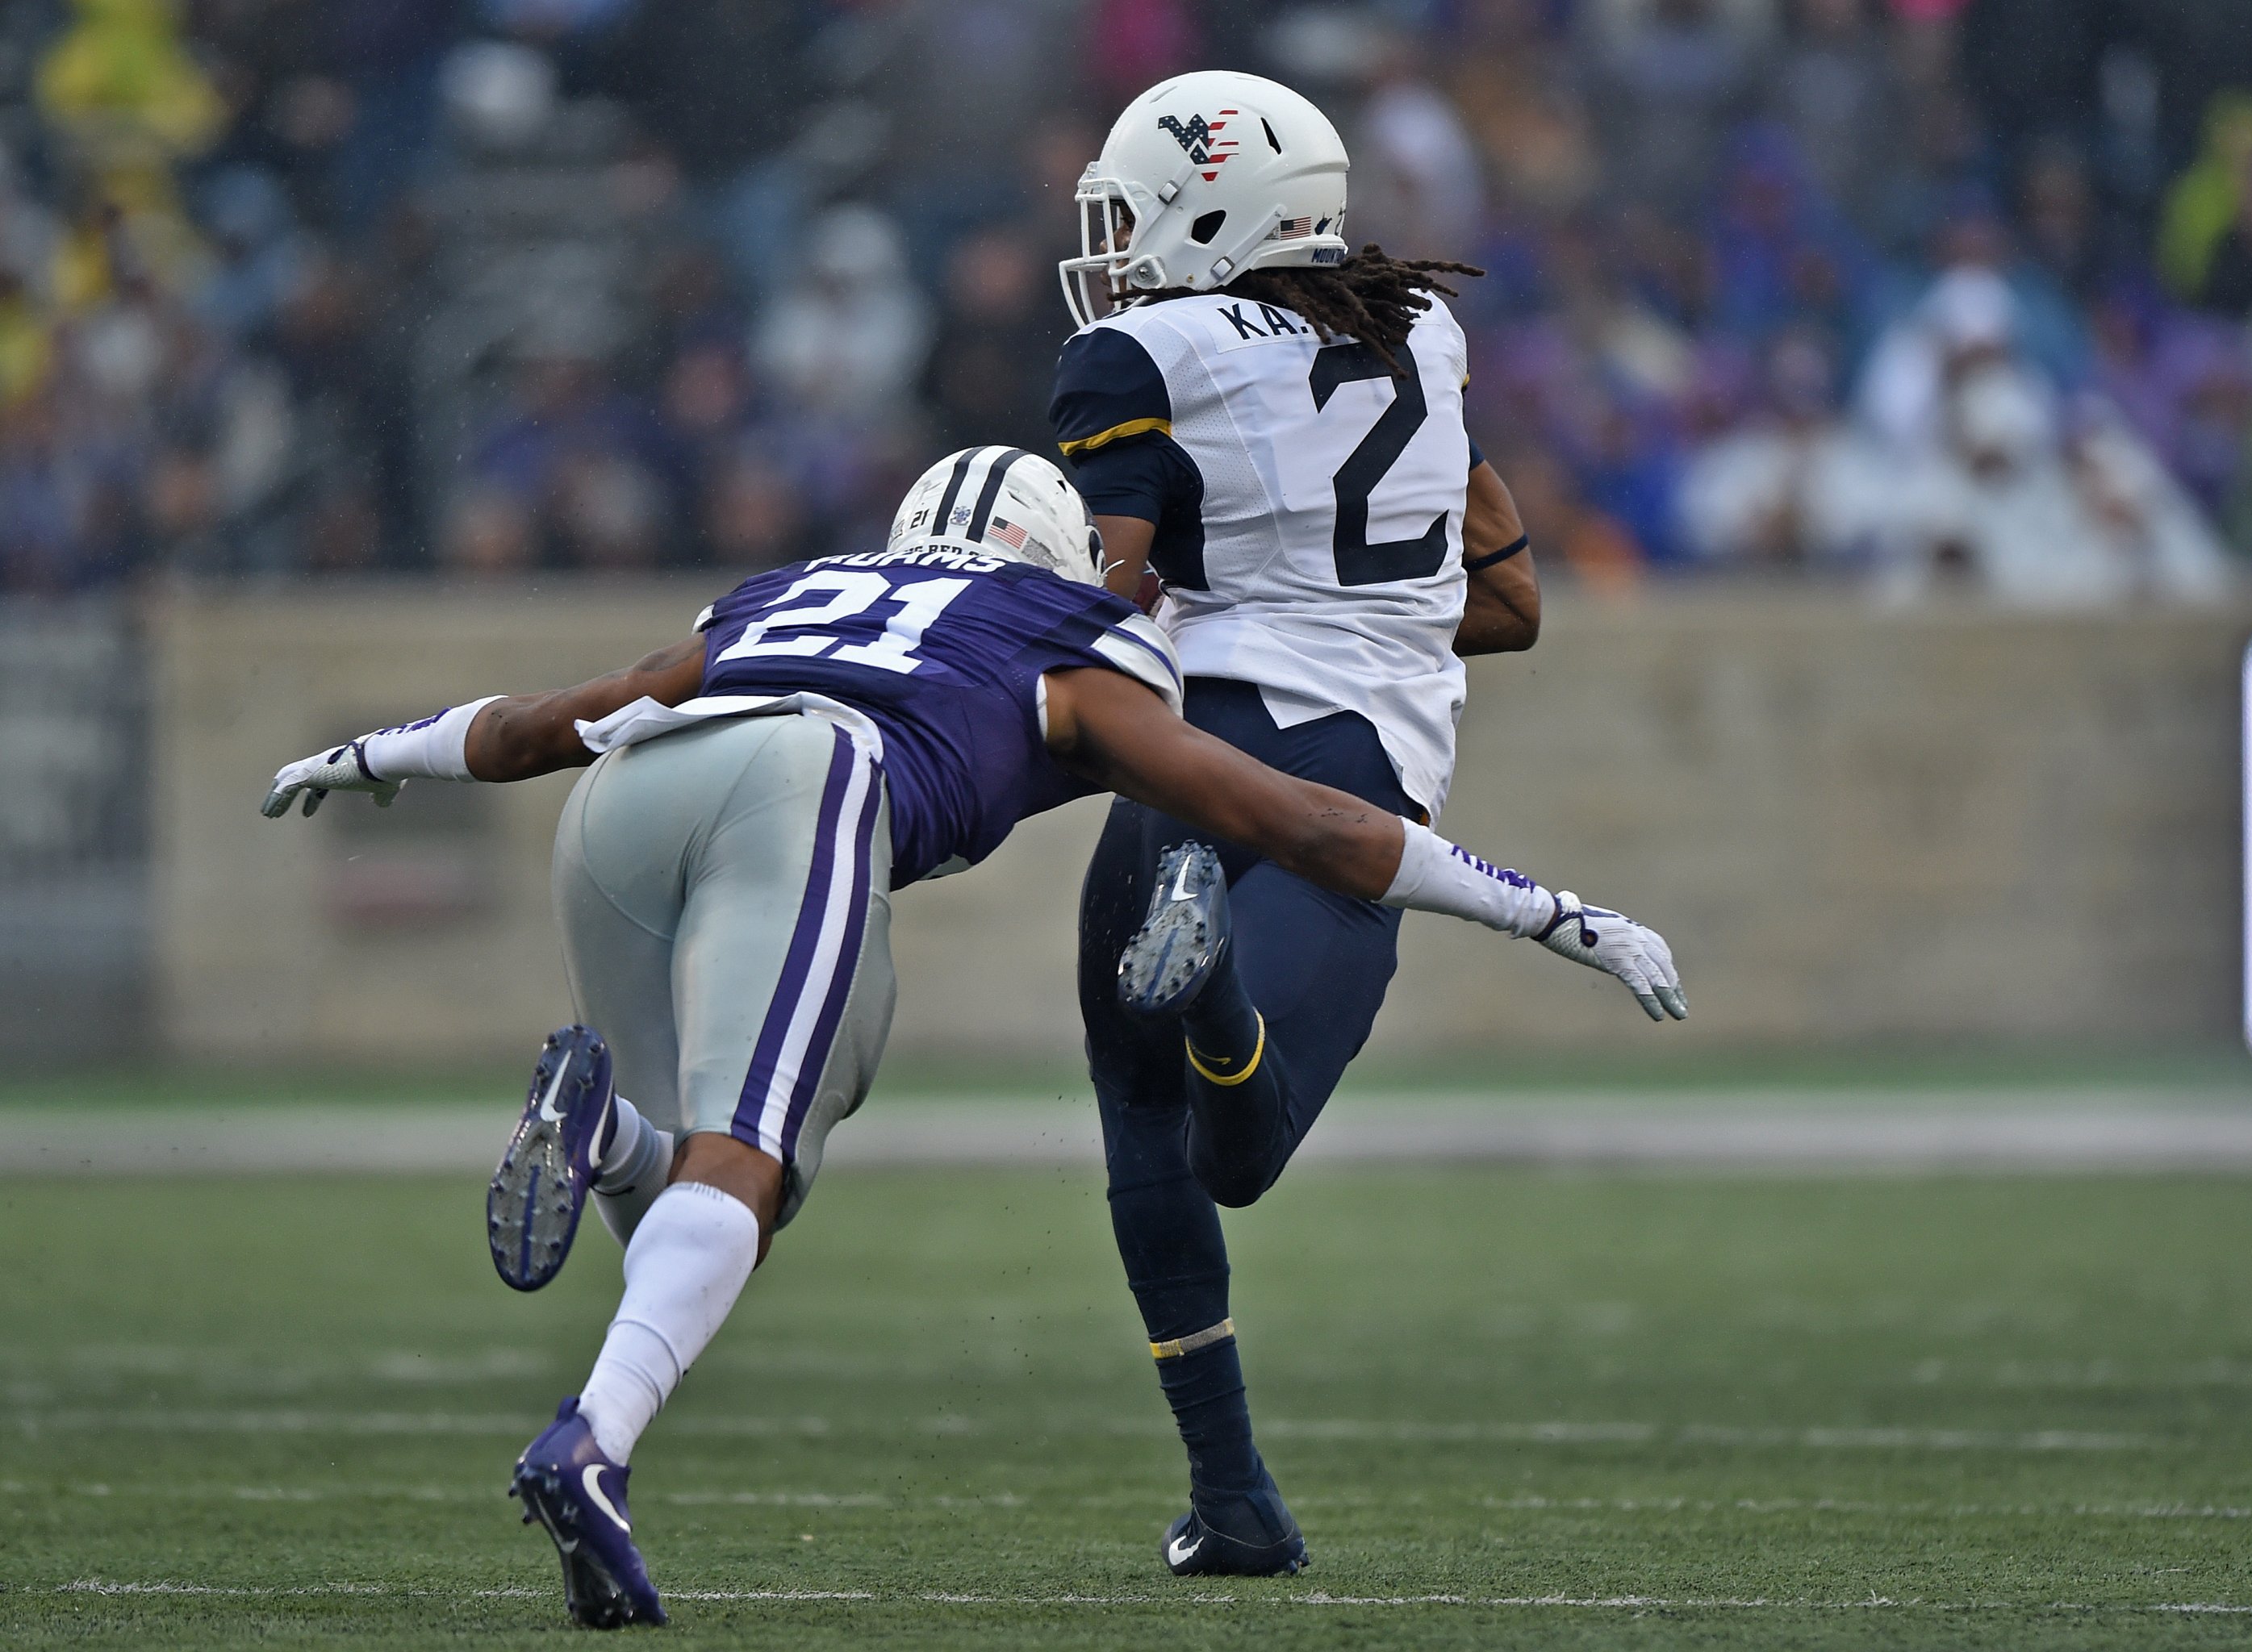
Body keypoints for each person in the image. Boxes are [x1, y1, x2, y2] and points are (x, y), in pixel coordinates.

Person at [261, 446, 1686, 1627]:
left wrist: (374, 753)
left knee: (694, 1188)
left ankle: (604, 1131)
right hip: (806, 790)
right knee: (749, 1172)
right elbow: (1305, 821)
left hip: (624, 803)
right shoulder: (1070, 638)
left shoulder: (800, 586)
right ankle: (591, 1445)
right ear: (1055, 546)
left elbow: (560, 722)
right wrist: (1553, 913)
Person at [1050, 71, 1587, 1578]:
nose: (1117, 246)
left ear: (1213, 208)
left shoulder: (1138, 348)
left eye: (1139, 208)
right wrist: (1371, 618)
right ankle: (1212, 988)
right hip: (1352, 778)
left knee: (1138, 1107)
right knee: (1243, 1143)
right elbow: (1512, 605)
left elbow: (1112, 591)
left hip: (1186, 762)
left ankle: (1232, 1494)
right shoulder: (1429, 328)